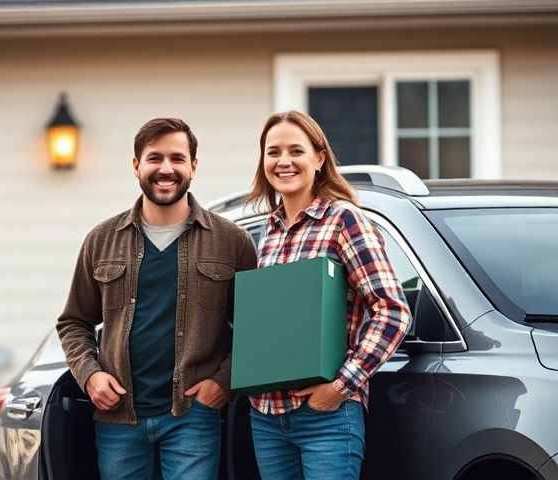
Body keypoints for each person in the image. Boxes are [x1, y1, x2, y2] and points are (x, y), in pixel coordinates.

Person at [56, 117, 257, 480]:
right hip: (119, 419)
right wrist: (90, 376)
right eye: (154, 158)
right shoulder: (101, 240)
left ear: (193, 167)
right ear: (136, 166)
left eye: (178, 158)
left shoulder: (232, 242)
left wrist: (223, 382)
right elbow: (74, 321)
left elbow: (255, 327)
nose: (166, 169)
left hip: (193, 417)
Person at [246, 110, 412, 480]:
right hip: (267, 416)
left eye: (296, 151)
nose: (283, 161)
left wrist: (341, 386)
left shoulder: (345, 221)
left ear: (319, 158)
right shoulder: (267, 233)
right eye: (273, 152)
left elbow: (392, 311)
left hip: (327, 417)